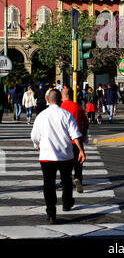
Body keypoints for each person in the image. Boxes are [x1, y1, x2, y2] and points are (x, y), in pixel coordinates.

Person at [31, 89, 85, 224]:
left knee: (48, 183)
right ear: (60, 99)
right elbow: (75, 134)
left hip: (47, 155)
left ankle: (51, 213)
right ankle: (67, 203)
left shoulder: (41, 116)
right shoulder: (66, 115)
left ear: (47, 100)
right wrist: (81, 151)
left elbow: (34, 136)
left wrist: (37, 145)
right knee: (66, 179)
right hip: (65, 155)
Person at [61, 87, 88, 193]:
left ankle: (65, 181)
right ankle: (78, 178)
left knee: (65, 163)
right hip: (77, 139)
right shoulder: (78, 107)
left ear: (62, 95)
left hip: (64, 140)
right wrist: (84, 134)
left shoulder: (60, 107)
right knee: (78, 162)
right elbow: (85, 122)